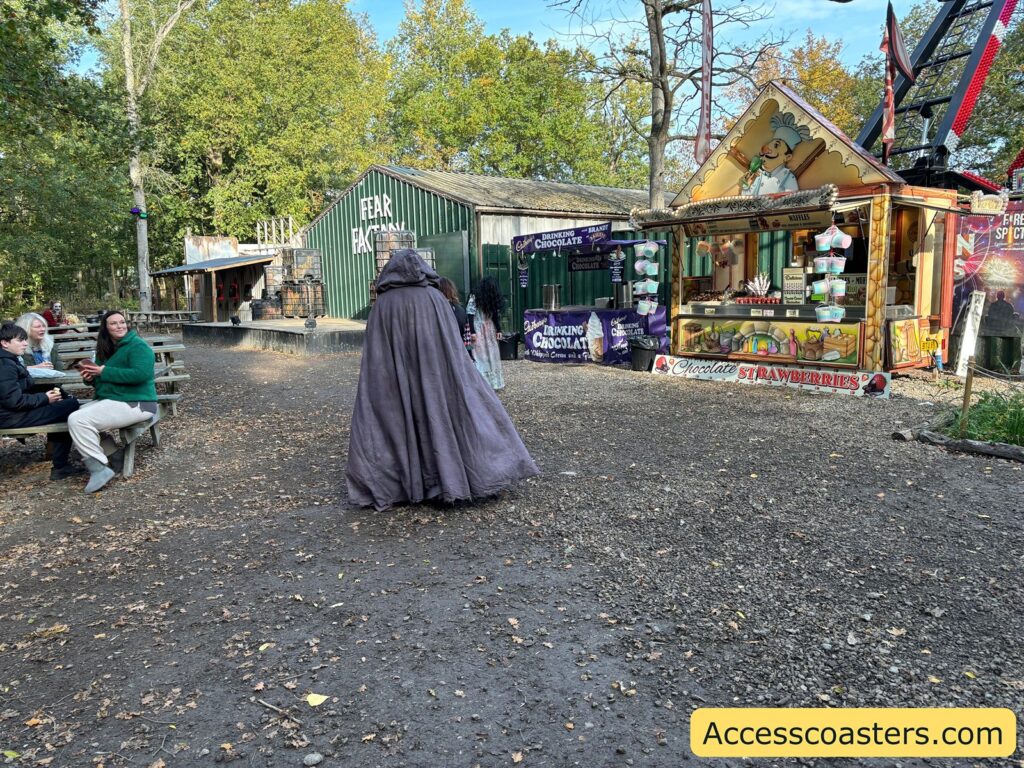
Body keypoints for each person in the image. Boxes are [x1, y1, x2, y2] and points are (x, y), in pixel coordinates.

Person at [346, 249, 538, 511]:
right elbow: (452, 349)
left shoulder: (383, 305)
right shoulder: (435, 298)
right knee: (440, 415)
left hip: (393, 380)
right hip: (436, 377)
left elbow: (375, 357)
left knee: (396, 420)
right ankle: (448, 478)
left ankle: (403, 484)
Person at [68, 310, 157, 493]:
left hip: (138, 402)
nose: (119, 326)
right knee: (72, 416)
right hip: (115, 398)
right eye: (114, 323)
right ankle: (114, 455)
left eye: (122, 322)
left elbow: (141, 374)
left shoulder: (138, 346)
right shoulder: (106, 348)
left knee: (78, 420)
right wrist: (90, 376)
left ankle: (99, 469)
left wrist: (103, 372)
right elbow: (100, 377)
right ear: (106, 328)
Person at [0, 321, 83, 480]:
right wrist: (45, 398)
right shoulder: (5, 365)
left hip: (12, 413)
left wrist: (47, 393)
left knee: (65, 401)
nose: (25, 344)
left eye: (25, 339)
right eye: (20, 340)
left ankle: (60, 463)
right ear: (4, 343)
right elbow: (14, 401)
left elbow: (21, 390)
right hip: (10, 417)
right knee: (70, 406)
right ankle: (60, 465)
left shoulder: (10, 360)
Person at [473, 276, 506, 390]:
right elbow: (469, 314)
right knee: (481, 355)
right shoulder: (474, 297)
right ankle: (483, 383)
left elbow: (495, 315)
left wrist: (499, 329)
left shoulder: (490, 299)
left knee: (490, 354)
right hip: (479, 327)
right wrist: (472, 332)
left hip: (487, 328)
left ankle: (492, 383)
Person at [437, 277, 475, 359]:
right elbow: (467, 341)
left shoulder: (436, 309)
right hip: (459, 353)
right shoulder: (461, 310)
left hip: (441, 354)